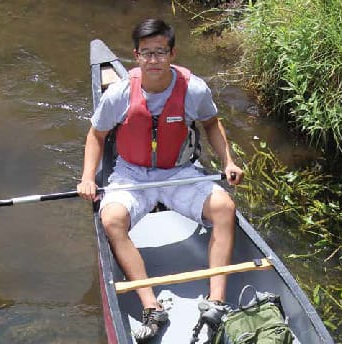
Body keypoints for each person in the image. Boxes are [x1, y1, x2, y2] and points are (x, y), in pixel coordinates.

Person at [77, 18, 243, 342]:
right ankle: (151, 307)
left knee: (224, 207)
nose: (154, 60)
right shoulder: (121, 93)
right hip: (131, 172)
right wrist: (87, 178)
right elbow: (96, 136)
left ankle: (217, 302)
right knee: (111, 219)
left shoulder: (193, 88)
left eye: (160, 52)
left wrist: (229, 161)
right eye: (147, 53)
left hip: (179, 171)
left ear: (172, 53)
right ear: (136, 57)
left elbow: (211, 124)